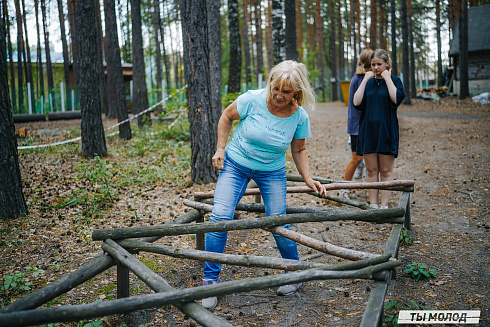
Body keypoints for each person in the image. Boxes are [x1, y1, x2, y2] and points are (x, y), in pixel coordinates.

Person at [202, 60, 327, 309]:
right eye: (276, 88)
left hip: (272, 172)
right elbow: (226, 116)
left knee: (278, 221)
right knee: (220, 216)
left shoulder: (299, 117)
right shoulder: (253, 99)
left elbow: (299, 149)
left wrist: (309, 178)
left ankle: (293, 273)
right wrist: (220, 149)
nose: (279, 95)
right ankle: (210, 281)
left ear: (297, 93)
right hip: (236, 164)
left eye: (286, 91)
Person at [353, 49, 405, 209]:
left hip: (386, 130)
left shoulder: (395, 81)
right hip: (368, 132)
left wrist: (387, 78)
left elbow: (396, 99)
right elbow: (356, 102)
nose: (376, 68)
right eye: (373, 64)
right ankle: (373, 205)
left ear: (387, 64)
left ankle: (384, 205)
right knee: (372, 170)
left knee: (386, 171)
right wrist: (364, 80)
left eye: (379, 64)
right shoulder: (367, 82)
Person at [341, 49, 373, 199]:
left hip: (367, 126)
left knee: (370, 160)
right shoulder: (359, 78)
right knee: (357, 159)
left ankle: (372, 190)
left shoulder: (367, 77)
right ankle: (345, 189)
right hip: (358, 128)